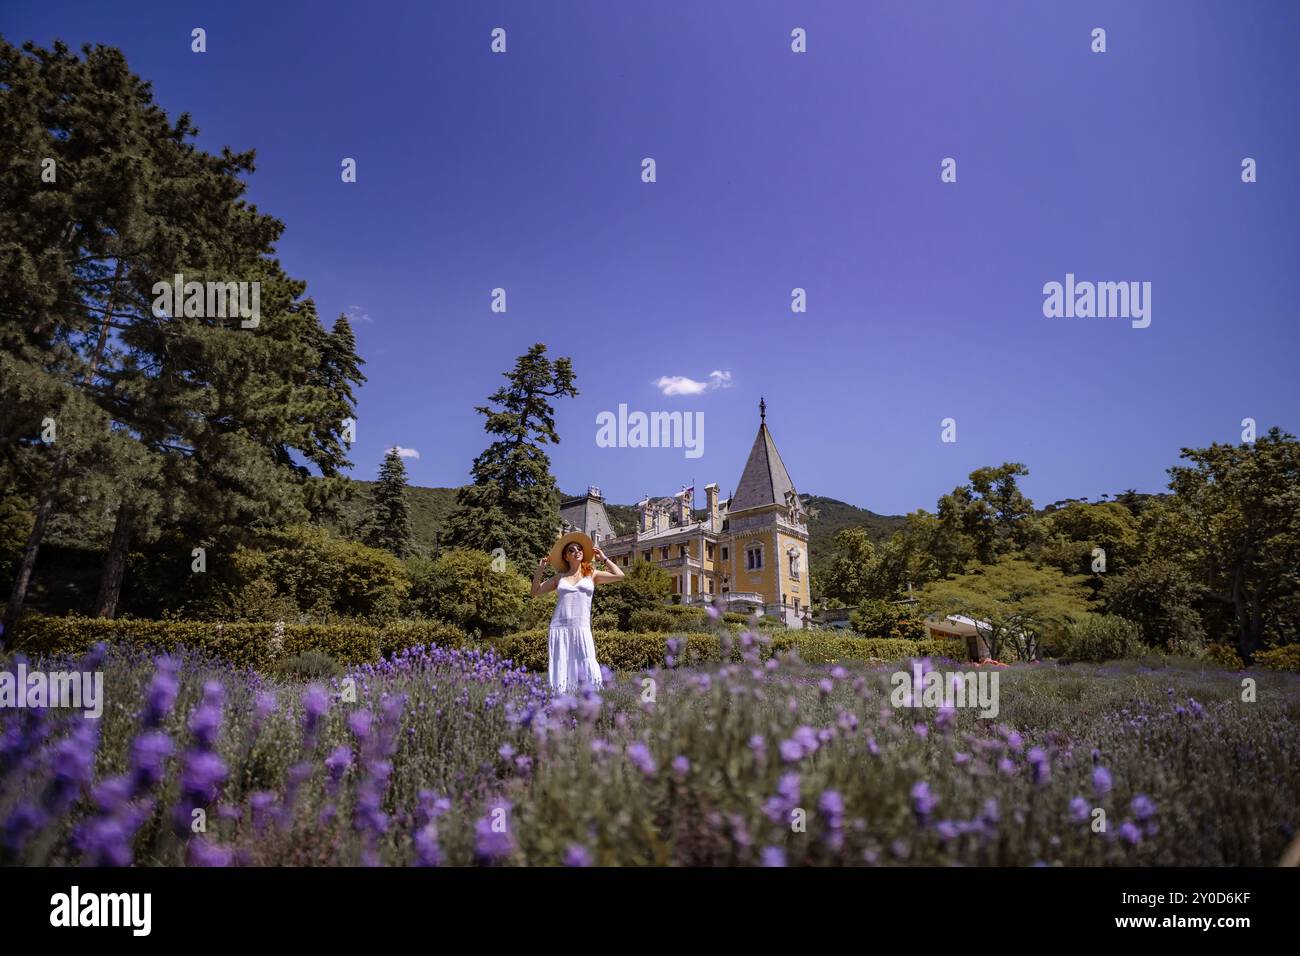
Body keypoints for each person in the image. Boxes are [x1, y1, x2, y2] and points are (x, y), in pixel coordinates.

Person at [531, 531, 624, 692]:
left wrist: (604, 558)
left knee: (587, 659)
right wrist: (540, 569)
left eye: (579, 548)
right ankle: (561, 701)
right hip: (559, 627)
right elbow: (535, 592)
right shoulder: (559, 578)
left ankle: (590, 700)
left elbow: (620, 575)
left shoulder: (592, 574)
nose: (577, 551)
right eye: (572, 550)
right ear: (566, 556)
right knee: (562, 663)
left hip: (581, 627)